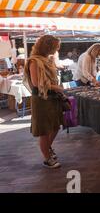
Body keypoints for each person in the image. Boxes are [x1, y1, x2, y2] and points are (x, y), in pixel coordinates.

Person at [23, 35, 64, 169]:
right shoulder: (34, 61)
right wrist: (56, 87)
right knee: (44, 131)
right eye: (55, 46)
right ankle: (47, 158)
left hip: (52, 98)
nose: (57, 49)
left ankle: (47, 148)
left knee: (55, 126)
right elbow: (36, 84)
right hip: (41, 100)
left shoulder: (47, 60)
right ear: (48, 46)